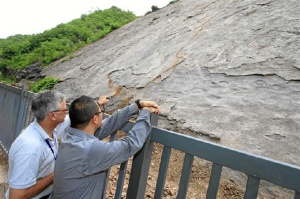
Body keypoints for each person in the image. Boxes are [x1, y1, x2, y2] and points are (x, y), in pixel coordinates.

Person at [52, 95, 161, 199]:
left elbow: (109, 123)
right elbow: (130, 144)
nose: (102, 115)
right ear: (95, 119)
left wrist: (137, 105)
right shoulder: (90, 149)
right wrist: (145, 113)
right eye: (101, 112)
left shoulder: (69, 134)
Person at [6, 90, 70, 199]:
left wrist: (98, 104)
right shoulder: (31, 147)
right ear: (53, 116)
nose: (67, 112)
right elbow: (16, 196)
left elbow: (71, 117)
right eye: (65, 109)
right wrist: (55, 175)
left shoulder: (48, 128)